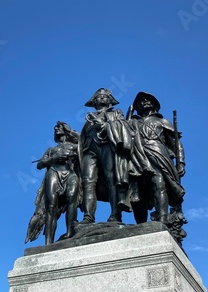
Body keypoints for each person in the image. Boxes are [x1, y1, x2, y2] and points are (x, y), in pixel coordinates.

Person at [128, 92, 187, 243]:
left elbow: (176, 144)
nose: (144, 102)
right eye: (140, 101)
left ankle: (162, 221)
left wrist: (180, 163)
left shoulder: (162, 121)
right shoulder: (131, 122)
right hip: (136, 157)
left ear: (154, 104)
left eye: (147, 100)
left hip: (157, 153)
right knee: (137, 193)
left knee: (159, 183)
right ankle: (140, 226)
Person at [79, 88, 132, 223]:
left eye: (104, 96)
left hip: (107, 146)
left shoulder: (116, 113)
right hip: (89, 149)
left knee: (111, 179)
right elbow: (82, 139)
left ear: (109, 100)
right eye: (99, 97)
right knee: (87, 182)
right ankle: (88, 216)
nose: (102, 98)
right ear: (94, 101)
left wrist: (104, 125)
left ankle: (115, 214)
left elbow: (123, 127)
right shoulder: (89, 118)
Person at [25, 122, 81, 245]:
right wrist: (54, 158)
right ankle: (48, 242)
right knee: (51, 207)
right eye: (55, 128)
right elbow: (40, 165)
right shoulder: (52, 149)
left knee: (72, 200)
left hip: (71, 173)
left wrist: (72, 134)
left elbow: (85, 145)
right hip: (54, 172)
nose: (56, 129)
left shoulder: (75, 145)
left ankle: (70, 233)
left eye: (59, 127)